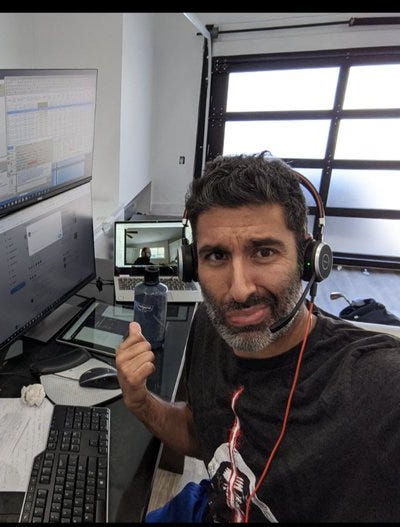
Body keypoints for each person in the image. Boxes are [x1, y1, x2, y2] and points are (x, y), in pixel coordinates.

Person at [115, 151, 400, 522]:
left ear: (308, 257)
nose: (239, 290)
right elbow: (205, 434)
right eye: (216, 256)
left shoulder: (375, 385)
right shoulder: (211, 325)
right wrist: (140, 402)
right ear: (191, 265)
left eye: (264, 252)